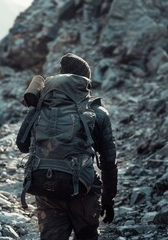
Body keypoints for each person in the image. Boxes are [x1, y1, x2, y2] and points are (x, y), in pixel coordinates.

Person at [16, 53, 117, 240]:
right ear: (86, 82)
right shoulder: (97, 112)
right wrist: (108, 199)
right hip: (83, 190)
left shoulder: (41, 106)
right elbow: (109, 161)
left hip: (46, 188)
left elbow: (21, 145)